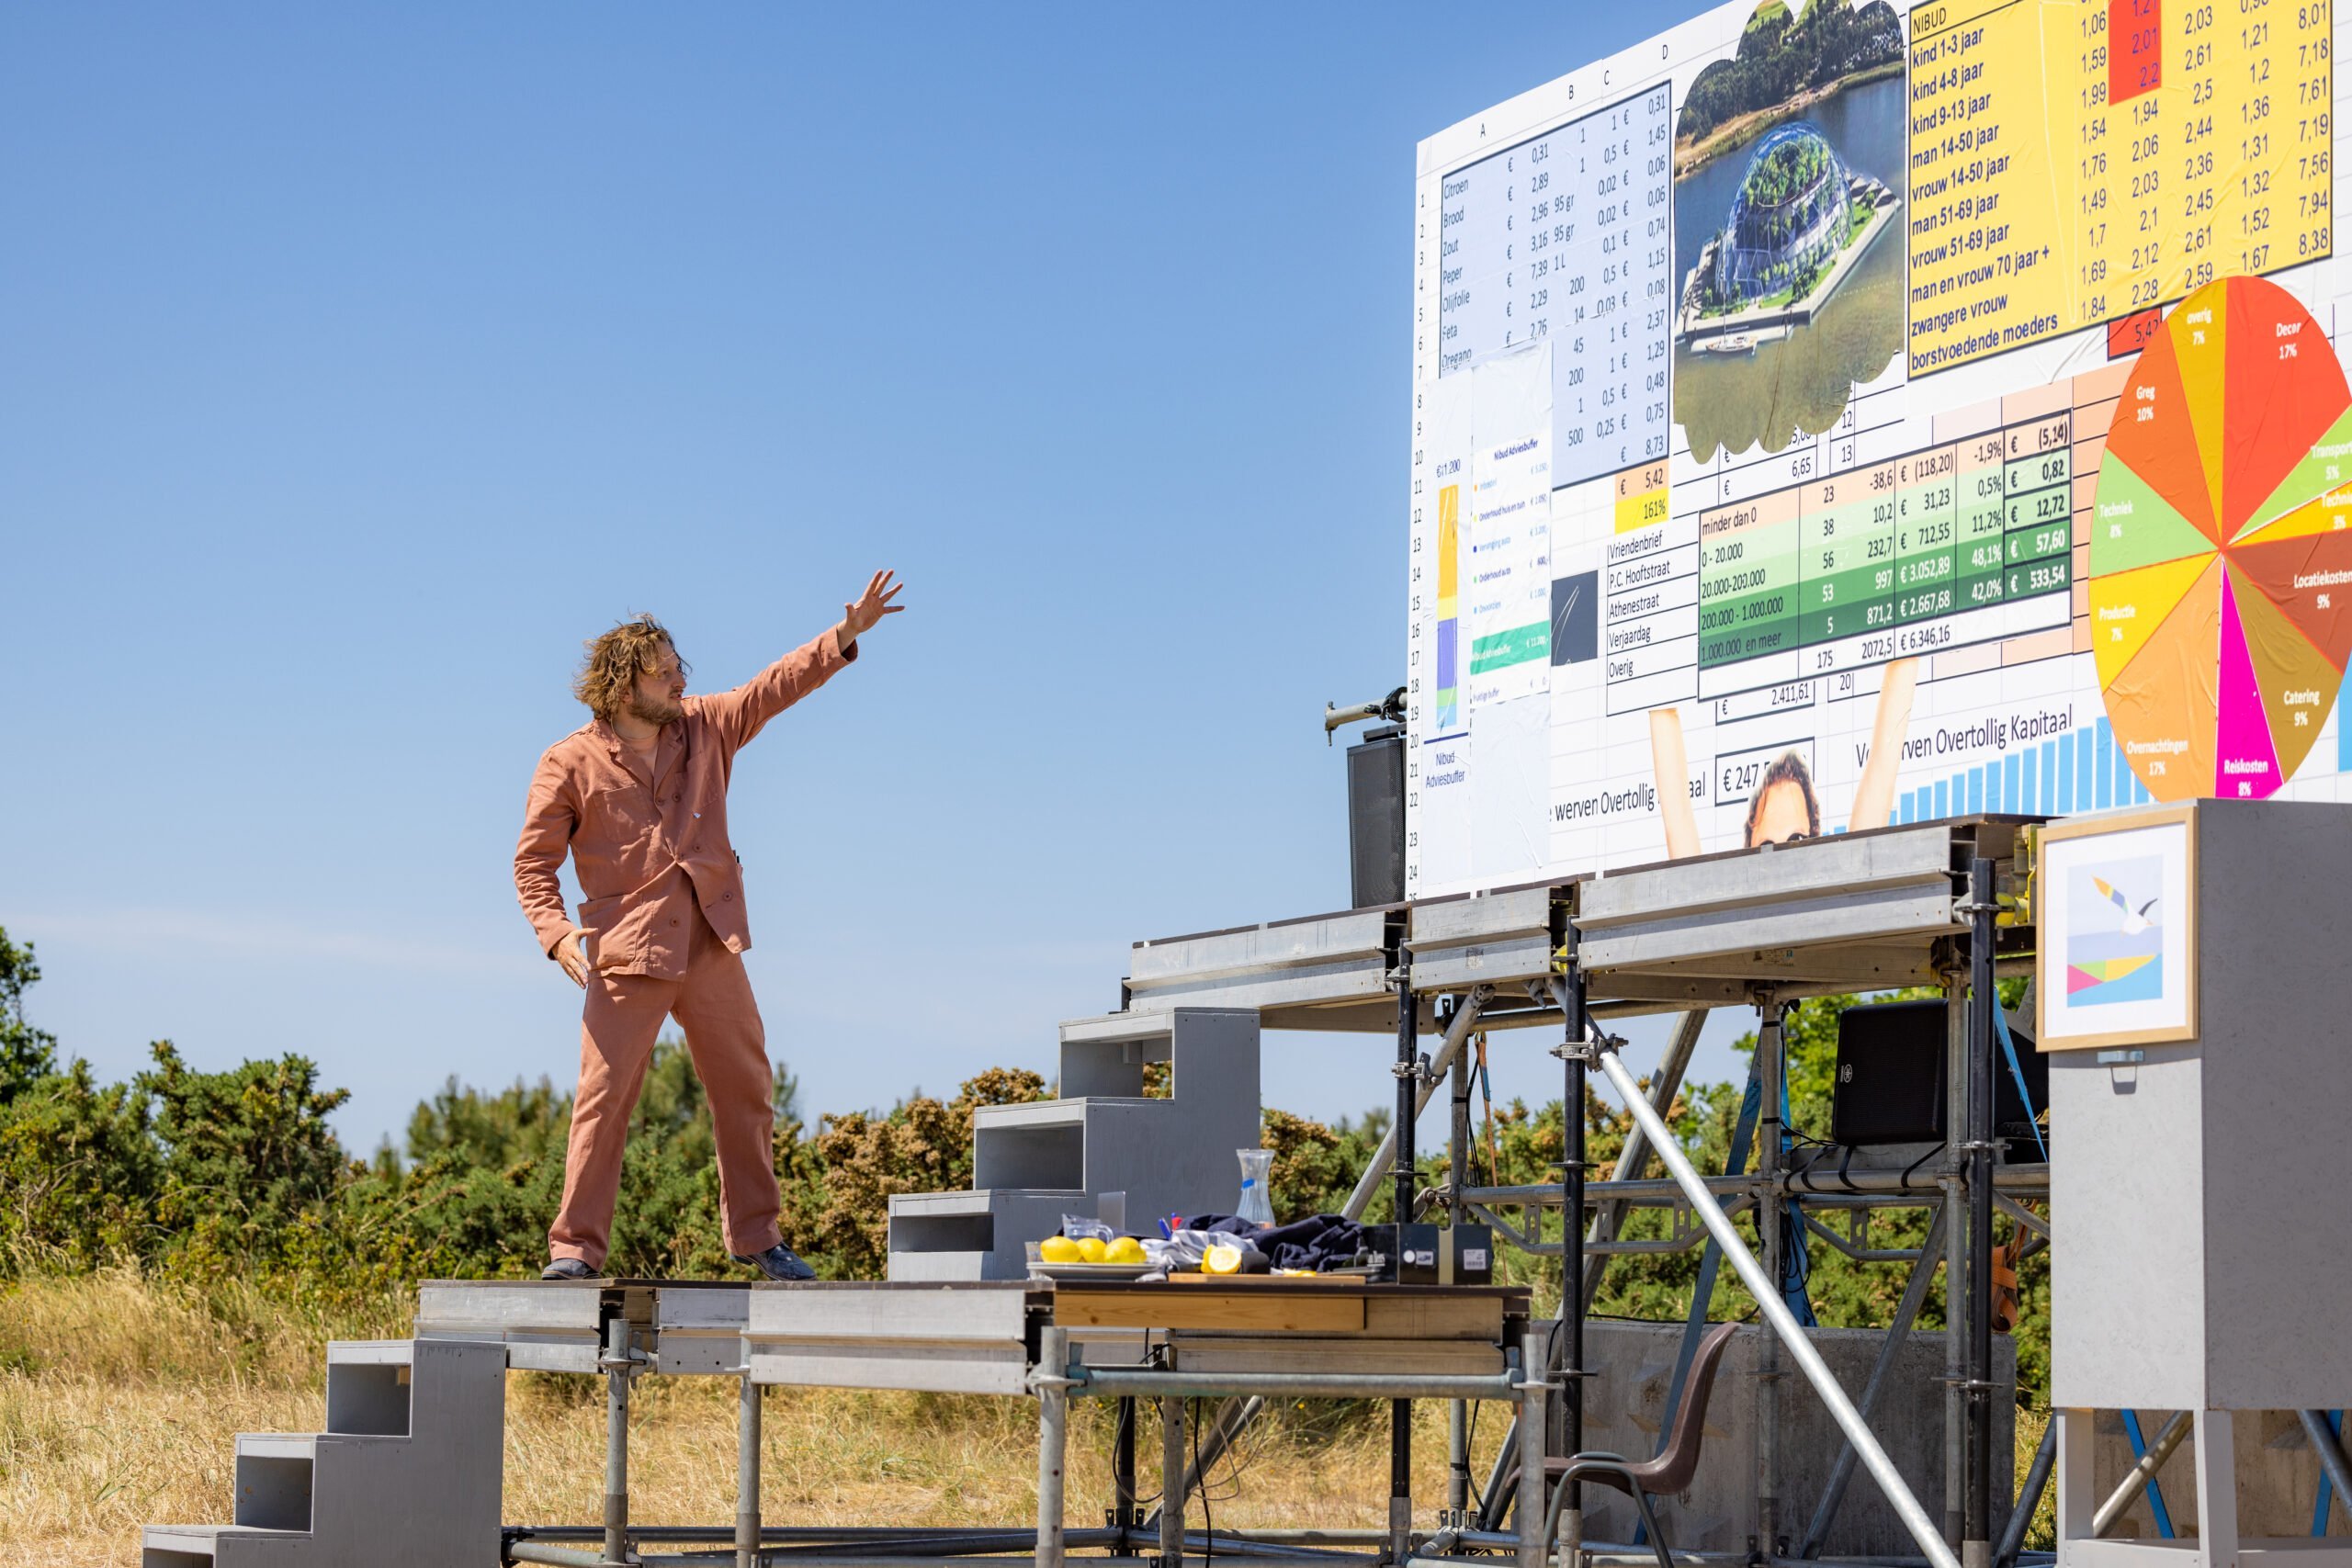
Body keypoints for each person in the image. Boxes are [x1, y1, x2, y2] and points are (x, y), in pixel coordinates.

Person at [514, 570, 905, 1281]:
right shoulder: (567, 761)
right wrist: (558, 935)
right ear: (622, 684)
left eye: (678, 669)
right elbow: (532, 865)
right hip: (626, 954)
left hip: (709, 943)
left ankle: (758, 1236)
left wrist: (843, 636)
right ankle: (573, 1250)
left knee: (748, 1087)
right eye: (663, 673)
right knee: (601, 1104)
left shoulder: (707, 725)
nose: (677, 680)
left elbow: (770, 687)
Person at [1648, 656, 1917, 858]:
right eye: (1766, 847)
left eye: (1797, 839)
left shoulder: (1845, 891)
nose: (1781, 859)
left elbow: (1883, 763)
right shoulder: (1715, 918)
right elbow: (1677, 815)